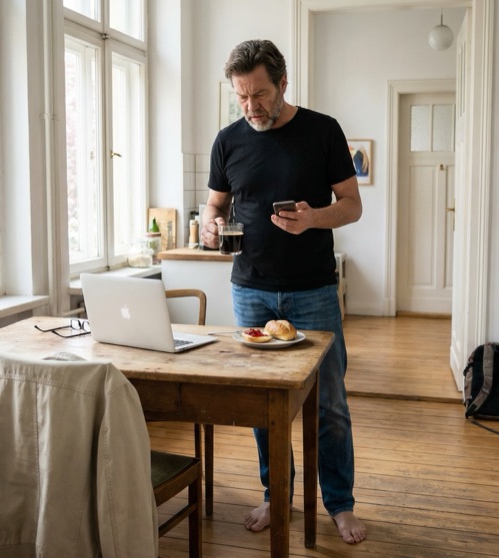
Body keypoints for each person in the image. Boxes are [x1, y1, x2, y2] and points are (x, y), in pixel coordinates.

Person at [200, 39, 366, 545]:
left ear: (283, 83)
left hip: (313, 289)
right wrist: (209, 226)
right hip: (250, 290)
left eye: (260, 95)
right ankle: (276, 496)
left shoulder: (323, 130)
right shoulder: (227, 141)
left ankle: (339, 504)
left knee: (329, 405)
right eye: (241, 97)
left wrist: (314, 218)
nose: (251, 106)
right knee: (264, 406)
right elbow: (214, 206)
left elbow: (352, 204)